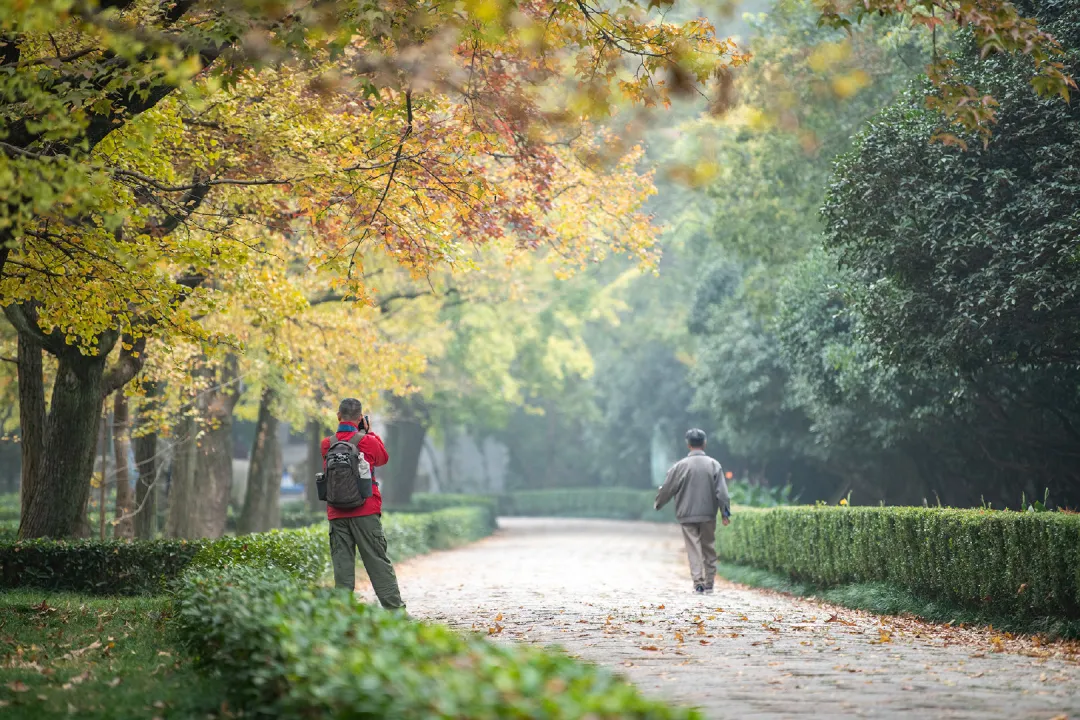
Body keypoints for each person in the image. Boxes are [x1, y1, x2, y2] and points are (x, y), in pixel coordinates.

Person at [321, 398, 405, 610]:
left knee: (342, 567)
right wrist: (368, 432)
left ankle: (343, 615)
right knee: (377, 561)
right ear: (360, 418)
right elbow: (383, 458)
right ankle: (395, 611)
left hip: (337, 513)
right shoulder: (368, 441)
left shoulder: (327, 444)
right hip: (366, 511)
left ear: (338, 416)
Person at [654, 428, 730, 595]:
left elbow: (668, 488)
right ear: (704, 443)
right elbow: (722, 493)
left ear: (688, 445)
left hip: (686, 515)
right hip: (708, 514)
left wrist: (659, 503)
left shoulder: (679, 466)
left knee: (693, 548)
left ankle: (698, 582)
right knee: (708, 547)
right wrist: (725, 513)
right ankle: (709, 583)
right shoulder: (713, 465)